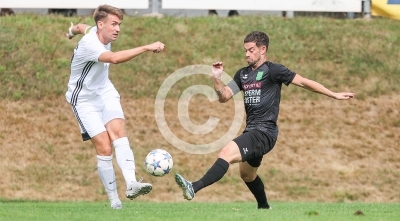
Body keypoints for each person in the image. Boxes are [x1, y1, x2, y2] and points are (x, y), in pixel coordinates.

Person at [175, 31, 354, 209]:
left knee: (226, 153)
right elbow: (224, 97)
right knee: (247, 175)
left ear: (263, 49)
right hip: (252, 131)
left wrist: (334, 95)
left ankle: (193, 187)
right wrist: (216, 78)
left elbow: (304, 82)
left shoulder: (273, 70)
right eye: (245, 50)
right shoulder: (242, 74)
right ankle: (264, 207)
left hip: (265, 132)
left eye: (251, 50)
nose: (246, 54)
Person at [65, 4, 165, 209]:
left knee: (118, 132)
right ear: (101, 25)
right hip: (83, 99)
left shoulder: (96, 30)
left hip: (104, 91)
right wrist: (146, 47)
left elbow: (82, 27)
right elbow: (114, 58)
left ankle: (131, 184)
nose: (117, 28)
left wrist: (71, 30)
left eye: (119, 24)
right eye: (114, 24)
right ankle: (114, 200)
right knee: (104, 146)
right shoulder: (90, 44)